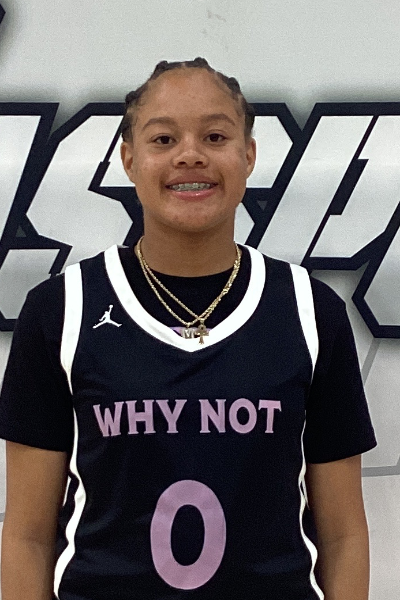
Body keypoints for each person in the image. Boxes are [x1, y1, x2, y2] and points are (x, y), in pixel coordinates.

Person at [0, 57, 376, 600]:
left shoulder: (310, 310)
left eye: (215, 136)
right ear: (128, 160)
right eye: (163, 139)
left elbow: (343, 535)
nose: (190, 154)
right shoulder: (60, 309)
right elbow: (27, 536)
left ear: (248, 156)